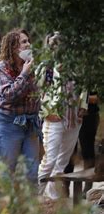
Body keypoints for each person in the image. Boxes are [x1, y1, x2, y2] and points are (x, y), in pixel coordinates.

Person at [37, 32, 88, 199]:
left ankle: (52, 199)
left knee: (62, 162)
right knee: (48, 160)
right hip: (55, 118)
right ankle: (34, 198)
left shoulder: (76, 66)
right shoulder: (46, 67)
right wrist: (46, 112)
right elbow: (37, 92)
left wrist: (83, 106)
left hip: (74, 118)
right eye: (56, 45)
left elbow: (84, 87)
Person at [0, 29, 40, 183]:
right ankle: (5, 206)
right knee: (7, 171)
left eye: (28, 41)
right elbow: (8, 95)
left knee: (32, 173)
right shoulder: (1, 68)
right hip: (9, 125)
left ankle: (30, 206)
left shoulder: (33, 65)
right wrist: (24, 74)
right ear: (13, 47)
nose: (28, 44)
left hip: (31, 124)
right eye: (23, 42)